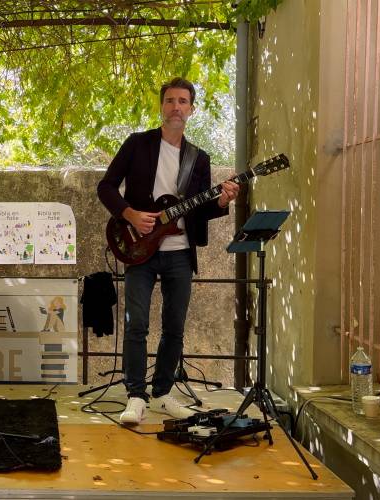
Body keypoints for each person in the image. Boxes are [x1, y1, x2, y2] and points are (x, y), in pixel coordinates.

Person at [97, 78, 239, 424]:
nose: (176, 107)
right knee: (137, 324)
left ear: (192, 109)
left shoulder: (199, 158)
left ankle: (162, 393)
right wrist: (129, 214)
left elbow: (197, 209)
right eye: (170, 100)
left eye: (183, 101)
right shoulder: (137, 144)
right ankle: (135, 395)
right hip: (138, 248)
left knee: (174, 327)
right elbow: (106, 187)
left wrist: (220, 201)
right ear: (161, 106)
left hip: (179, 252)